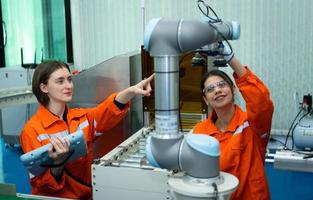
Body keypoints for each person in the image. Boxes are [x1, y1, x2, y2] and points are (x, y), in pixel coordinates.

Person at [20, 60, 154, 199]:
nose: (68, 86)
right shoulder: (32, 130)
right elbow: (41, 184)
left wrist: (131, 91)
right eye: (60, 81)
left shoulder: (82, 118)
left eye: (69, 79)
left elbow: (107, 111)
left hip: (86, 195)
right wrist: (57, 164)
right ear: (44, 87)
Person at [192, 50, 274, 199]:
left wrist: (231, 58)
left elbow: (262, 103)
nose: (217, 90)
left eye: (222, 85)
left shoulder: (251, 124)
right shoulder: (200, 132)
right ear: (206, 99)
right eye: (210, 89)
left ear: (233, 89)